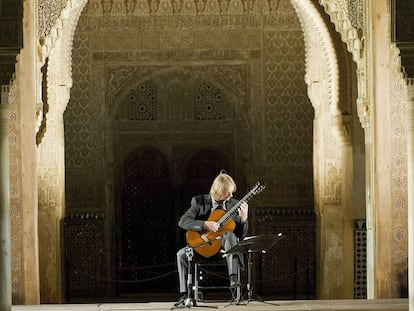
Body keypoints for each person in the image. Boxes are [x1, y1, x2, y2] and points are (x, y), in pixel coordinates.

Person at [175, 170, 249, 307]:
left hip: (224, 252)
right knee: (181, 255)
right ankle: (185, 295)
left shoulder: (234, 205)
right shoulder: (199, 202)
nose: (231, 196)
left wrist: (243, 220)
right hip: (202, 248)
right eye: (228, 193)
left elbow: (241, 236)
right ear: (218, 191)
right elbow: (183, 222)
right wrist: (204, 224)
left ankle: (233, 279)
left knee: (229, 235)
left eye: (232, 192)